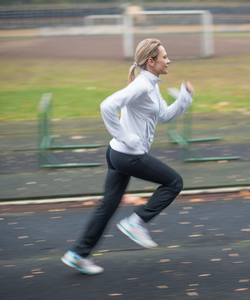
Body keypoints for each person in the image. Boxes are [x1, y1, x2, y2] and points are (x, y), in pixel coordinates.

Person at [61, 38, 194, 275]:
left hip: (116, 154)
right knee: (174, 182)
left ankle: (78, 254)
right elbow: (107, 106)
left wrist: (184, 99)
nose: (169, 60)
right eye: (165, 56)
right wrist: (125, 136)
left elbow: (163, 115)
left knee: (107, 207)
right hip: (128, 155)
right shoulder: (142, 85)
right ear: (151, 61)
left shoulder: (151, 84)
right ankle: (137, 221)